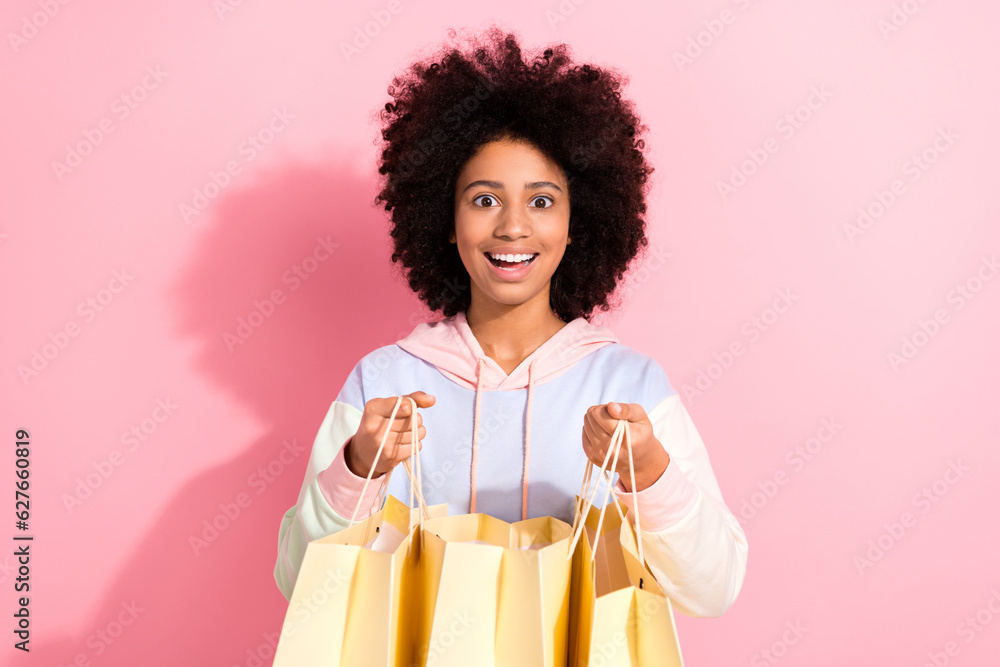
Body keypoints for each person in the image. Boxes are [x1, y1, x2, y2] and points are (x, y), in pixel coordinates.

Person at [273, 25, 747, 618]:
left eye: (542, 201)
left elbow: (714, 589)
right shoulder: (383, 386)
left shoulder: (631, 390)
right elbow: (300, 585)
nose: (513, 228)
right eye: (485, 199)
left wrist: (648, 473)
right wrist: (358, 469)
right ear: (446, 220)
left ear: (579, 224)